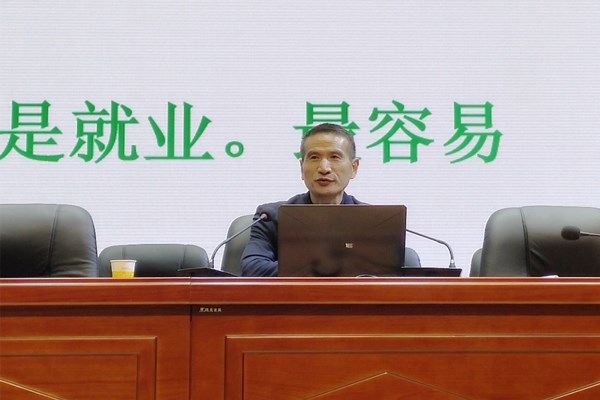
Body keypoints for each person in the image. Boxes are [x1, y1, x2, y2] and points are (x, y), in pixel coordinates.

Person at [240, 123, 363, 277]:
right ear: (301, 167)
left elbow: (386, 272)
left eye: (335, 157)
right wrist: (322, 268)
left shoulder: (372, 220)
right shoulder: (272, 216)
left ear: (354, 168)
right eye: (314, 157)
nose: (324, 168)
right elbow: (253, 268)